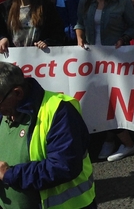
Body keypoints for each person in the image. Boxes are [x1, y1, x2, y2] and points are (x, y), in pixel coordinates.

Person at [0, 62, 96, 208]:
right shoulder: (6, 109)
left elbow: (63, 166)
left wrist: (10, 174)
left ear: (17, 93)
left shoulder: (59, 111)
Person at [74, 0, 134, 162]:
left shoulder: (121, 1)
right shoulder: (85, 0)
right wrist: (79, 36)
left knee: (113, 100)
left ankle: (128, 143)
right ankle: (109, 139)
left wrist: (124, 38)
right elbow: (79, 23)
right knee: (99, 99)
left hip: (115, 60)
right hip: (93, 59)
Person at [0, 0, 64, 52]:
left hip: (38, 59)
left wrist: (47, 42)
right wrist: (2, 38)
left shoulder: (46, 5)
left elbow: (57, 31)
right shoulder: (4, 8)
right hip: (13, 58)